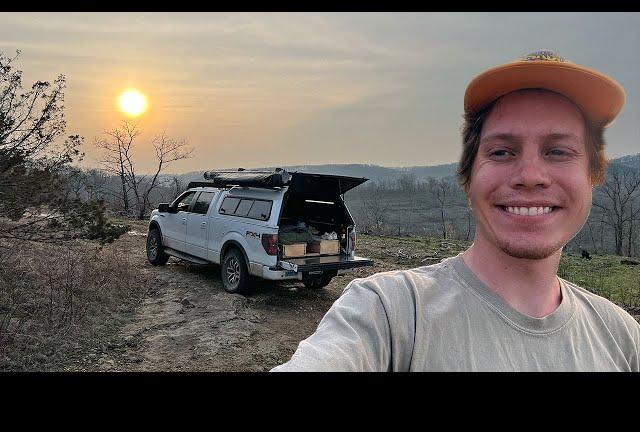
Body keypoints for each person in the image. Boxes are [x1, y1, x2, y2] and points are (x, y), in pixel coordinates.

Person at [271, 50, 640, 372]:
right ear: (468, 178)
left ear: (592, 176)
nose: (530, 176)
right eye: (501, 151)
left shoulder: (623, 338)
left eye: (558, 151)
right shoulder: (389, 315)